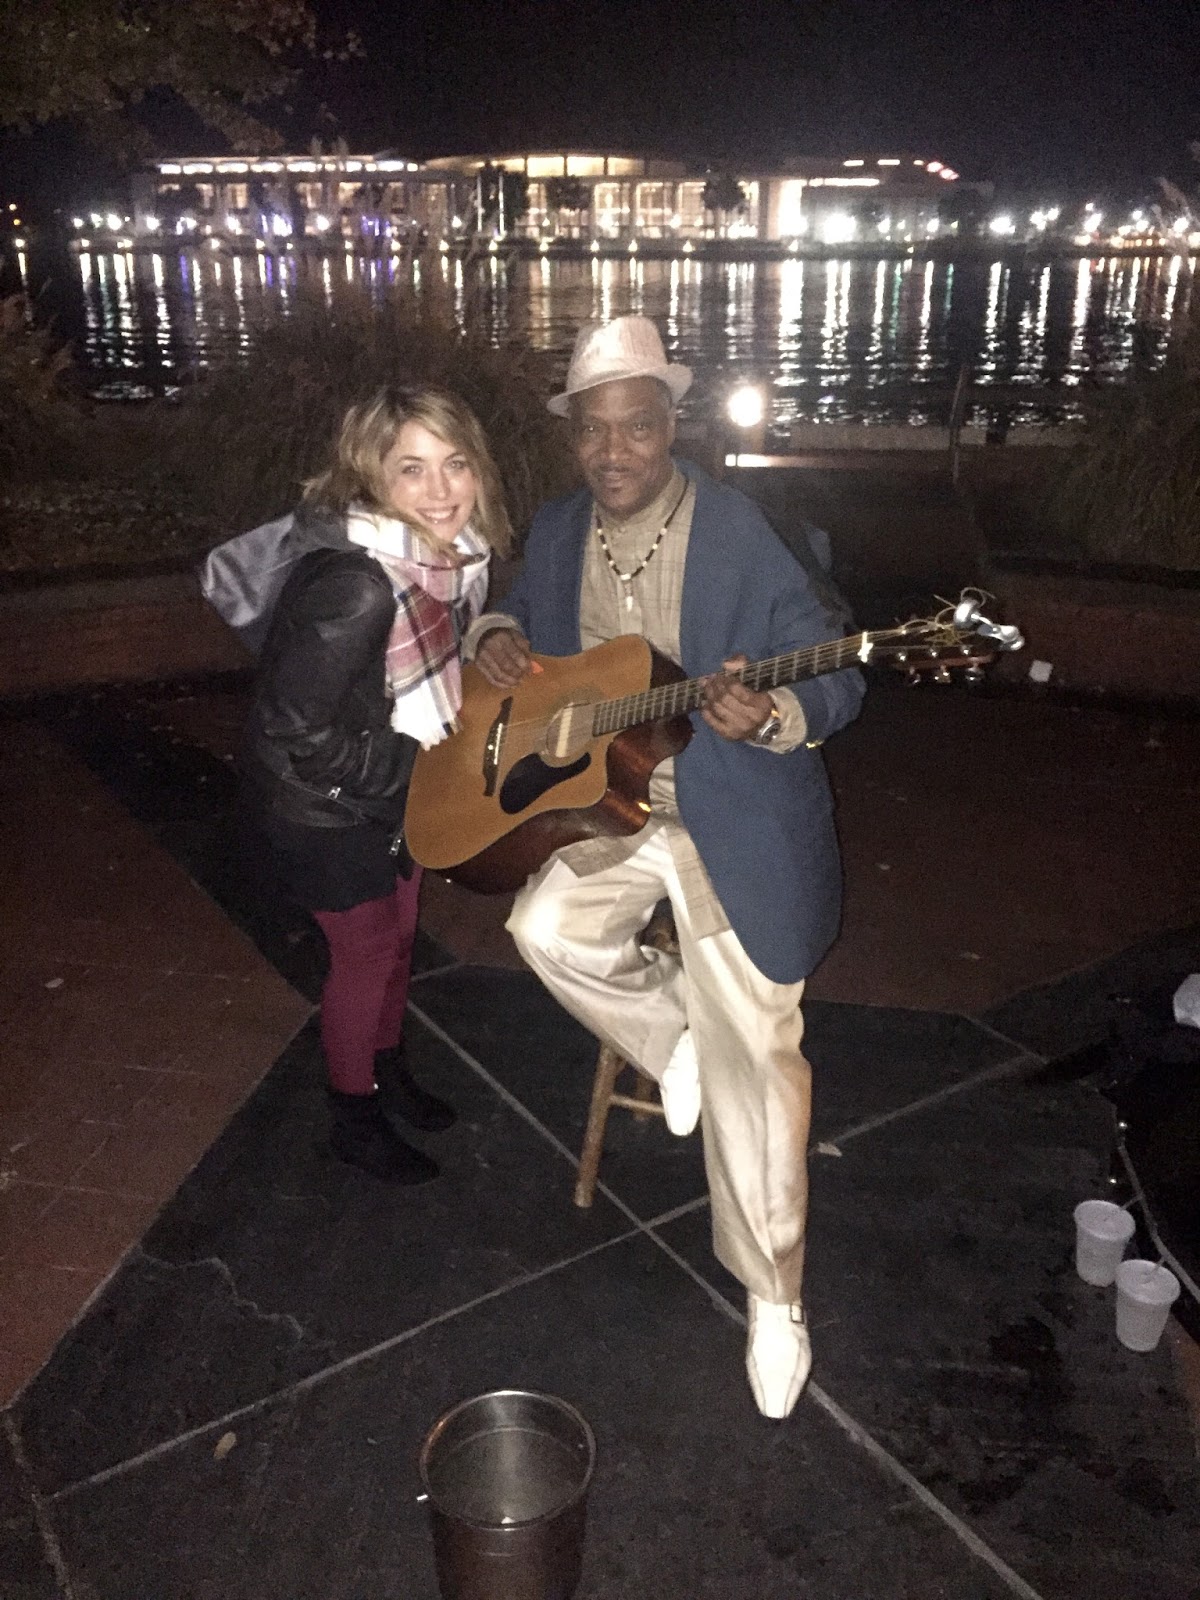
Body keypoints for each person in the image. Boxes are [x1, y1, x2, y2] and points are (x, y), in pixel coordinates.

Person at [467, 317, 865, 1417]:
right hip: (613, 809)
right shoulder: (558, 530)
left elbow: (840, 674)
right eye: (592, 432)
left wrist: (774, 713)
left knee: (759, 1058)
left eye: (635, 428)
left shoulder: (747, 533)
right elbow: (518, 620)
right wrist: (494, 632)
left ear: (670, 424)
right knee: (542, 927)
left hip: (735, 815)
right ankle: (668, 1036)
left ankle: (774, 1296)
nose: (613, 452)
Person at [242, 385, 512, 1184]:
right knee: (364, 952)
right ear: (372, 478)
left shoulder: (446, 564)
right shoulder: (361, 584)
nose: (441, 490)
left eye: (455, 463)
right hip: (323, 804)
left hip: (387, 787)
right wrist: (406, 772)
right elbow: (294, 730)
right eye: (412, 469)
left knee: (399, 937)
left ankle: (386, 1070)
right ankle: (353, 1116)